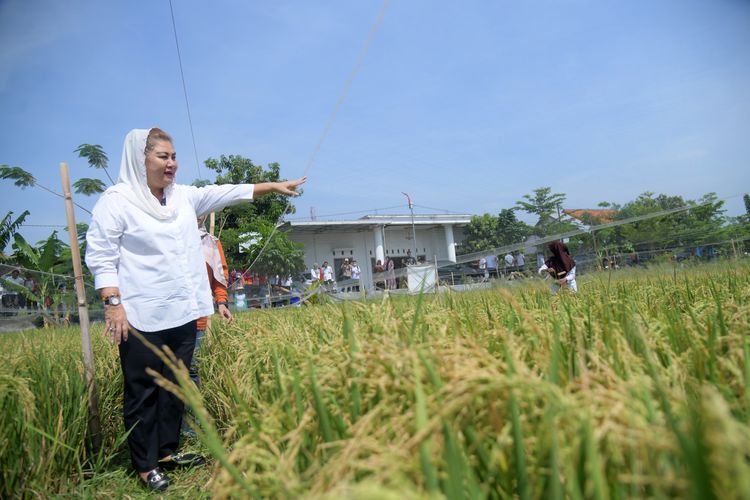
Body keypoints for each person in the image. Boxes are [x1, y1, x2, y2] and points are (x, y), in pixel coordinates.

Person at [85, 128, 305, 491]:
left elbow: (225, 192)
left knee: (176, 386)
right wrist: (113, 305)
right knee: (143, 391)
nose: (172, 163)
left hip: (183, 312)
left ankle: (167, 451)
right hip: (141, 316)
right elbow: (102, 255)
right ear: (141, 160)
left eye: (173, 156)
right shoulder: (117, 201)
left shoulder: (182, 197)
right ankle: (144, 465)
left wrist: (273, 185)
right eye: (163, 157)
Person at [182, 216, 233, 437]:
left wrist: (221, 302)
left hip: (197, 317)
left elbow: (219, 275)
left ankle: (190, 429)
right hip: (167, 317)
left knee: (191, 369)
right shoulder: (166, 237)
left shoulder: (210, 243)